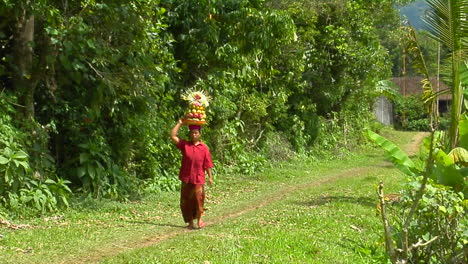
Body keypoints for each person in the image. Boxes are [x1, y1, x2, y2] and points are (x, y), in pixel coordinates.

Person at [170, 119, 214, 229]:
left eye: (196, 133)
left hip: (198, 178)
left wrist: (210, 177)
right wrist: (180, 123)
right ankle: (190, 222)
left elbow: (207, 164)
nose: (194, 135)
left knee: (198, 199)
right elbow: (173, 136)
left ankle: (199, 220)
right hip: (186, 178)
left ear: (199, 134)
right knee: (186, 201)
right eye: (192, 133)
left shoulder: (204, 148)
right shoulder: (185, 145)